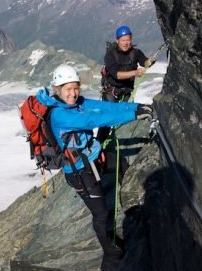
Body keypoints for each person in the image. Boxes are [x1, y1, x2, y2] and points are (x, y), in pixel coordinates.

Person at [36, 64, 153, 271]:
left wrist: (134, 108)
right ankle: (110, 255)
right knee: (101, 214)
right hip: (80, 172)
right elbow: (94, 119)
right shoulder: (59, 115)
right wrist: (133, 115)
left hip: (92, 158)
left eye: (76, 88)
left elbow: (105, 108)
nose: (73, 93)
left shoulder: (75, 104)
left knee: (121, 169)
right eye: (67, 89)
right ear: (58, 90)